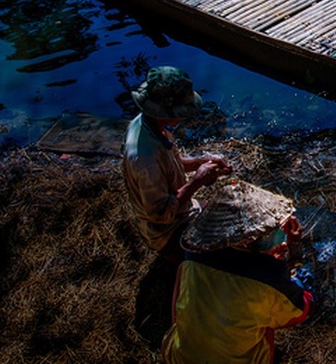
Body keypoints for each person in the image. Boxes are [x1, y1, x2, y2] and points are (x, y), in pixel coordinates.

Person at [162, 181, 312, 363]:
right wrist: (294, 257)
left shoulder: (196, 253)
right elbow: (303, 309)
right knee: (267, 323)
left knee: (183, 270)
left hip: (179, 357)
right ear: (249, 239)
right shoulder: (269, 276)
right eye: (270, 231)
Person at [122, 66, 231, 264]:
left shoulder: (150, 124)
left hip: (184, 210)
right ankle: (176, 254)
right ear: (166, 112)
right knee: (232, 252)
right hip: (166, 231)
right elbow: (161, 214)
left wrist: (201, 161)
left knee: (226, 214)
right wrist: (197, 181)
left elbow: (172, 163)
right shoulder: (144, 159)